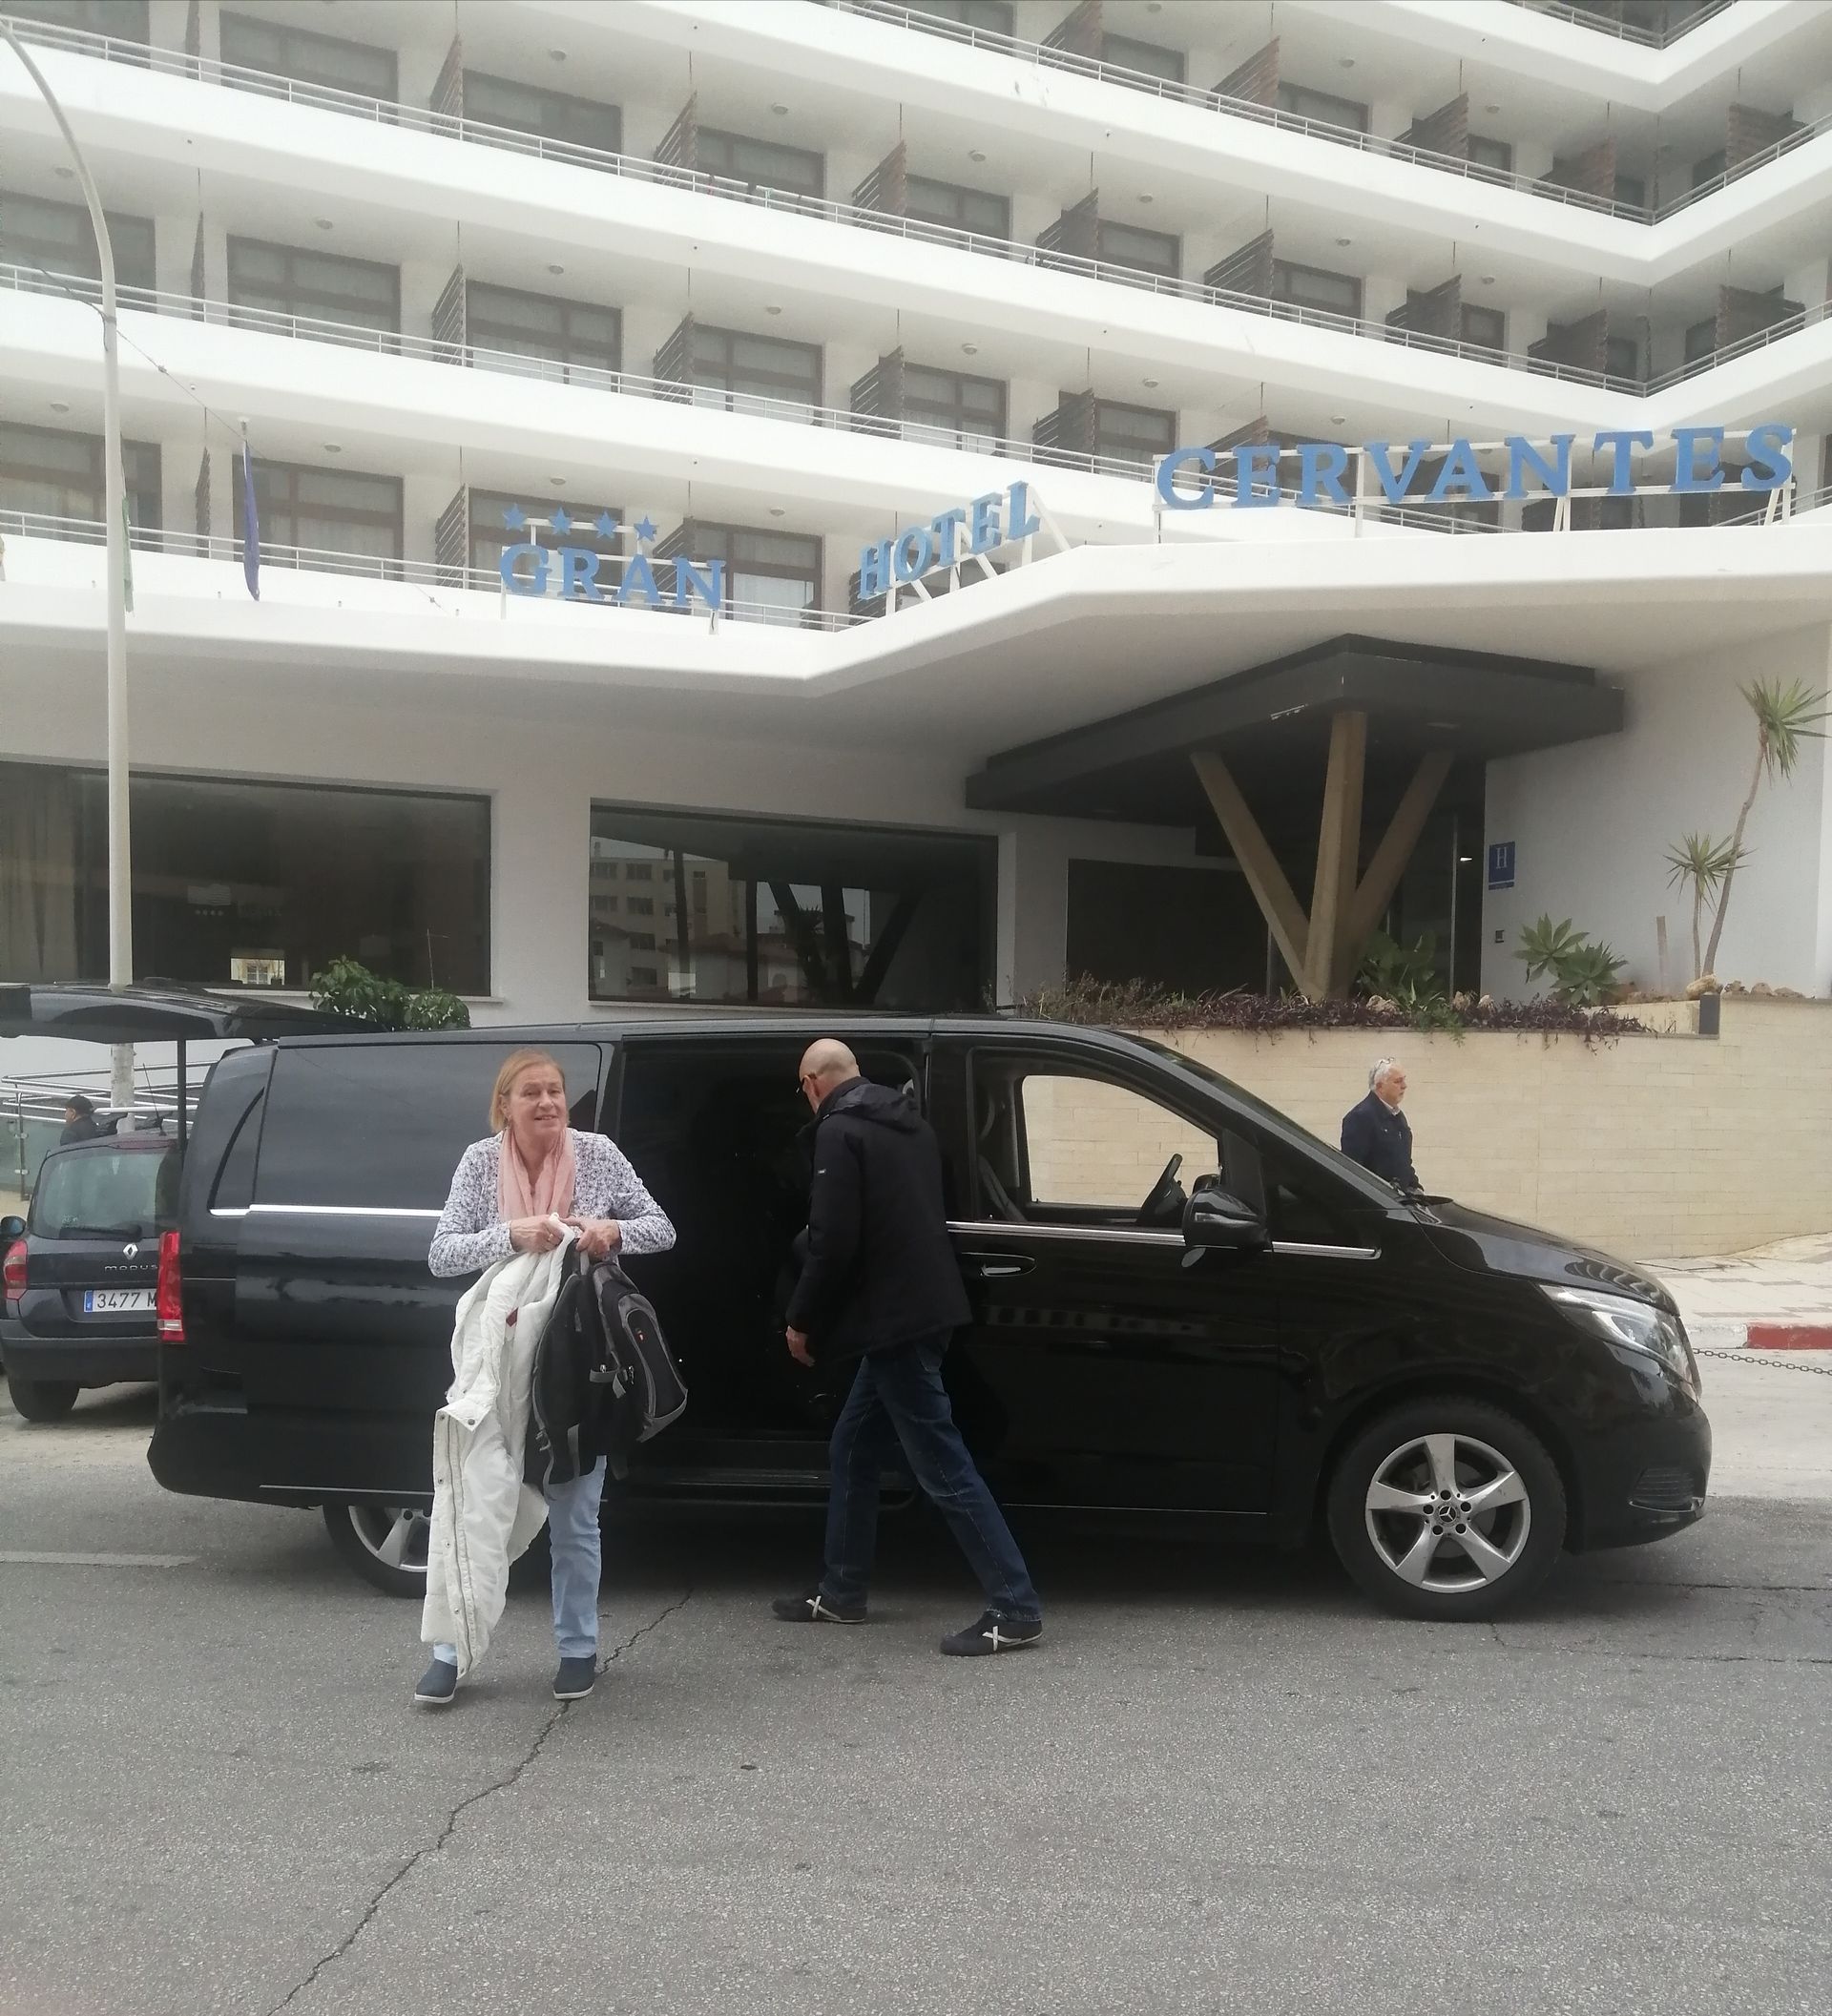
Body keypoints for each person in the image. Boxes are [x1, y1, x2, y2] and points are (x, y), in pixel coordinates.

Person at [414, 1048, 675, 1709]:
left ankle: (578, 1648)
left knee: (576, 1516)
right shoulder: (479, 1162)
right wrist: (511, 1235)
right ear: (505, 1105)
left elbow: (662, 1229)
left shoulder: (599, 1154)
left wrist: (612, 1232)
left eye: (555, 1090)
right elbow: (442, 1253)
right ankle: (449, 1650)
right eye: (531, 1092)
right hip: (495, 1365)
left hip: (577, 1358)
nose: (547, 1102)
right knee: (470, 1502)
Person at [773, 1039, 1043, 1656]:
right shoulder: (909, 1123)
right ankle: (842, 1591)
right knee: (852, 1444)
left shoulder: (839, 1131)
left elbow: (832, 1239)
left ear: (812, 1083)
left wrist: (801, 1318)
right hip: (925, 1309)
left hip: (892, 1320)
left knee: (943, 1464)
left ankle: (1015, 1605)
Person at [1341, 1057, 1421, 1193]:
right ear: (1380, 1086)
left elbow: (1403, 1161)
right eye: (1397, 1081)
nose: (1404, 1086)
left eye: (1404, 1080)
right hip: (1376, 1199)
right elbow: (1354, 1169)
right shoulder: (1360, 1117)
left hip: (1400, 1199)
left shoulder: (1398, 1117)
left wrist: (1415, 1187)